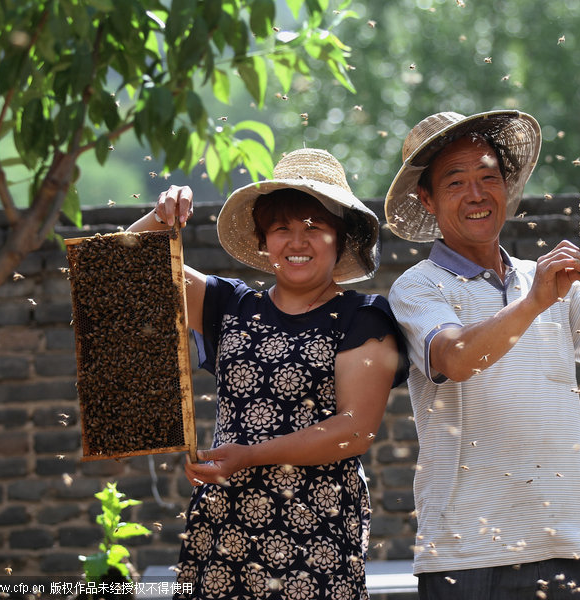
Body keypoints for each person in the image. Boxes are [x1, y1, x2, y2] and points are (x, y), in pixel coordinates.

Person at [384, 111, 580, 600]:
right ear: (427, 199)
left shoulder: (545, 282)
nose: (476, 193)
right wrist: (534, 301)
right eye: (456, 182)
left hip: (566, 544)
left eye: (488, 177)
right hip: (469, 553)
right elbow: (453, 357)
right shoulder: (420, 286)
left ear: (507, 186)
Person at [127, 148, 407, 600]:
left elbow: (354, 432)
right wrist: (159, 218)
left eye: (314, 228)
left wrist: (249, 455)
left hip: (314, 535)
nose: (298, 242)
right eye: (282, 229)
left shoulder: (363, 317)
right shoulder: (231, 305)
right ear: (264, 241)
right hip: (223, 529)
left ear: (341, 237)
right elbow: (124, 272)